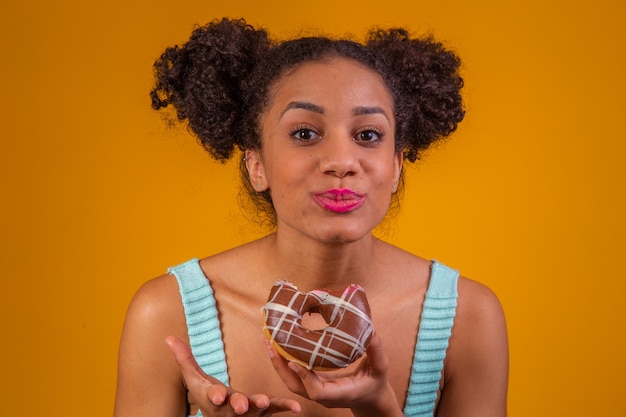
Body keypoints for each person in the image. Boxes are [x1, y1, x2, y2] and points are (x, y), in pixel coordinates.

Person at [114, 17, 509, 417]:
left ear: (395, 165)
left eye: (367, 135)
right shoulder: (167, 313)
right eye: (304, 134)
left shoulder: (468, 318)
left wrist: (380, 412)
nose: (341, 162)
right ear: (256, 165)